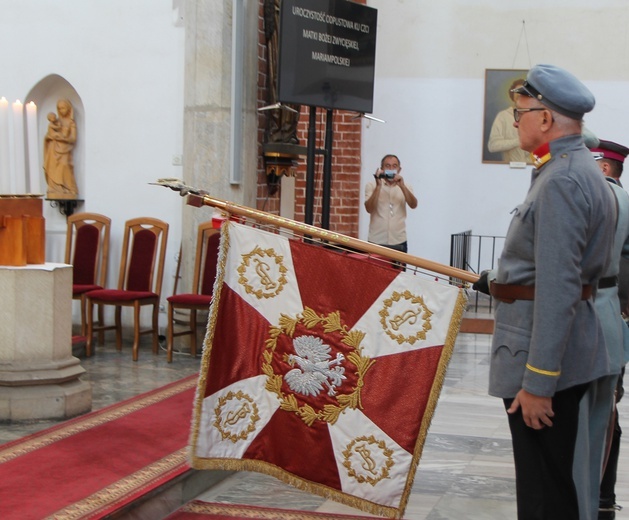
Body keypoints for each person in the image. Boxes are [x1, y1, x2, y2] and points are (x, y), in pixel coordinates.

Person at [473, 64, 615, 519]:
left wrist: (537, 383)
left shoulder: (563, 181)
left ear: (546, 119)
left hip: (543, 361)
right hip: (555, 352)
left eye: (520, 113)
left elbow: (558, 288)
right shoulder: (569, 169)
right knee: (550, 487)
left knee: (544, 497)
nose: (516, 122)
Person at [573, 138, 629, 520]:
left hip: (611, 316)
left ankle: (600, 496)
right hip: (610, 317)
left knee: (604, 412)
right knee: (605, 409)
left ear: (605, 168)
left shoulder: (613, 203)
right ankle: (599, 496)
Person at [364, 154, 417, 253]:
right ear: (382, 169)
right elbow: (369, 209)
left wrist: (402, 187)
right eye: (387, 166)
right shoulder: (371, 185)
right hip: (376, 241)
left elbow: (413, 204)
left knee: (398, 269)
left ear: (399, 170)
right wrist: (378, 186)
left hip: (399, 241)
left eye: (394, 166)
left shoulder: (406, 186)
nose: (391, 169)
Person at [487, 78, 531, 164]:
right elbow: (492, 146)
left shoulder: (534, 116)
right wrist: (517, 141)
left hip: (532, 168)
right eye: (517, 92)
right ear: (512, 95)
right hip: (508, 168)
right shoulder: (503, 116)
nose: (519, 94)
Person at [43, 99, 78, 199]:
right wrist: (49, 137)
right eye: (59, 108)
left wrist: (64, 138)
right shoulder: (55, 122)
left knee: (65, 165)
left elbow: (73, 138)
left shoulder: (71, 123)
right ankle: (55, 188)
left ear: (68, 108)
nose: (61, 110)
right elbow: (48, 135)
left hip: (64, 149)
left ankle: (69, 188)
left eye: (63, 108)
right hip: (53, 149)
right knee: (53, 167)